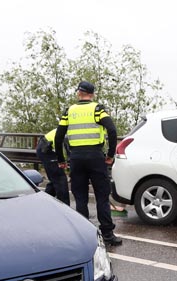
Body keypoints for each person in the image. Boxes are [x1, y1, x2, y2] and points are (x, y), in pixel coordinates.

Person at [54, 81, 122, 246]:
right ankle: (107, 234)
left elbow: (58, 136)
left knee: (81, 198)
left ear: (79, 93)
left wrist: (61, 160)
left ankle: (84, 235)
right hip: (95, 157)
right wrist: (111, 155)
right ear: (92, 94)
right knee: (102, 197)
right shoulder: (97, 109)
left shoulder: (69, 111)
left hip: (76, 158)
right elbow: (112, 130)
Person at [35, 128, 70, 205]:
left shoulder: (70, 130)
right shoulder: (67, 133)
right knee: (60, 179)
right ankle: (65, 208)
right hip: (47, 151)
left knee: (55, 180)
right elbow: (65, 150)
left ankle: (44, 203)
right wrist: (64, 161)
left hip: (48, 149)